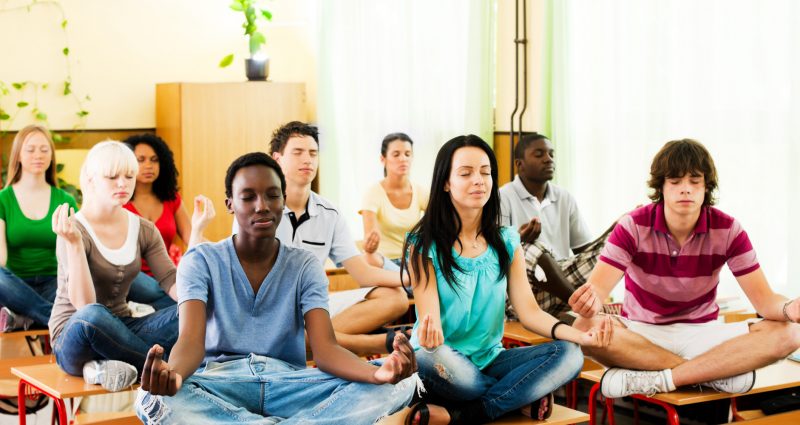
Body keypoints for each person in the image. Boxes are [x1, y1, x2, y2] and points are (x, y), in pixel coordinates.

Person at [135, 152, 418, 425]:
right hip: (222, 382)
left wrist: (377, 375)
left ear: (283, 201)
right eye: (248, 197)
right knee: (150, 398)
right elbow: (191, 341)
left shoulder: (304, 266)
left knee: (403, 383)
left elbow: (326, 350)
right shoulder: (201, 260)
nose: (262, 205)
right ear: (230, 203)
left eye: (272, 195)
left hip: (290, 384)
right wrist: (175, 375)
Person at [403, 135, 612, 425]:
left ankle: (464, 414)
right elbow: (430, 321)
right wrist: (429, 338)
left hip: (491, 361)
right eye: (466, 173)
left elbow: (529, 312)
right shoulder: (423, 243)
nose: (479, 180)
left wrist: (579, 336)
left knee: (569, 354)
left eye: (486, 172)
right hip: (443, 360)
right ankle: (516, 397)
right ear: (446, 182)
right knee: (434, 362)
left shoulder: (506, 241)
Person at [569, 139, 800, 399]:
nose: (685, 190)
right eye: (675, 181)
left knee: (790, 333)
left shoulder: (728, 229)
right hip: (641, 332)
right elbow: (597, 290)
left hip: (703, 333)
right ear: (662, 187)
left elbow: (766, 301)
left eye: (694, 181)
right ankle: (712, 374)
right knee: (582, 325)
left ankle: (662, 378)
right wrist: (588, 302)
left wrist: (788, 308)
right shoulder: (632, 226)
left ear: (706, 187)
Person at [233, 122, 410, 356]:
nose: (308, 160)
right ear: (277, 159)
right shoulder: (256, 209)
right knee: (276, 328)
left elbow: (362, 273)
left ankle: (305, 342)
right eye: (298, 153)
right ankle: (375, 343)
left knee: (395, 298)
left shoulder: (330, 213)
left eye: (313, 153)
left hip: (314, 307)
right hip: (269, 310)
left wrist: (409, 278)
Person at [50, 141, 193, 392]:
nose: (122, 184)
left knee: (194, 308)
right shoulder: (74, 229)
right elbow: (84, 306)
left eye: (129, 176)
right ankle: (162, 371)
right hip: (74, 335)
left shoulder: (143, 229)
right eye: (112, 177)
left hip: (124, 327)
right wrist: (73, 244)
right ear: (91, 180)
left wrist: (199, 303)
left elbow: (170, 278)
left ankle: (107, 366)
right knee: (93, 315)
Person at [500, 133, 614, 318]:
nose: (548, 159)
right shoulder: (502, 197)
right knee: (528, 248)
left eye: (551, 154)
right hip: (523, 292)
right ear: (519, 164)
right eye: (539, 155)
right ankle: (581, 305)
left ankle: (584, 304)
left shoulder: (564, 197)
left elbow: (585, 251)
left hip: (562, 283)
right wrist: (518, 239)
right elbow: (495, 255)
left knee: (619, 237)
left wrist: (614, 230)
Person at [123, 134, 215, 310]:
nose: (148, 165)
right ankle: (182, 305)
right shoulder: (120, 200)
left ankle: (180, 305)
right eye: (140, 160)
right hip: (133, 279)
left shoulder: (171, 199)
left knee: (200, 283)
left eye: (154, 160)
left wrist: (227, 252)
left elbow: (193, 237)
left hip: (167, 276)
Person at [0, 125, 78, 331]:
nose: (38, 155)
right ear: (17, 155)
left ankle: (24, 316)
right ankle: (53, 318)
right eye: (31, 149)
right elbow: (1, 258)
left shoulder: (65, 200)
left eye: (44, 150)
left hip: (55, 284)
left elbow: (75, 251)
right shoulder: (3, 199)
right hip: (16, 285)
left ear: (52, 156)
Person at [361, 132, 429, 268]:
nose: (403, 159)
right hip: (384, 261)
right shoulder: (373, 192)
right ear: (383, 159)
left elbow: (440, 223)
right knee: (369, 257)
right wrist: (369, 246)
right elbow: (370, 236)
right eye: (396, 154)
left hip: (413, 260)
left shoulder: (421, 192)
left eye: (407, 154)